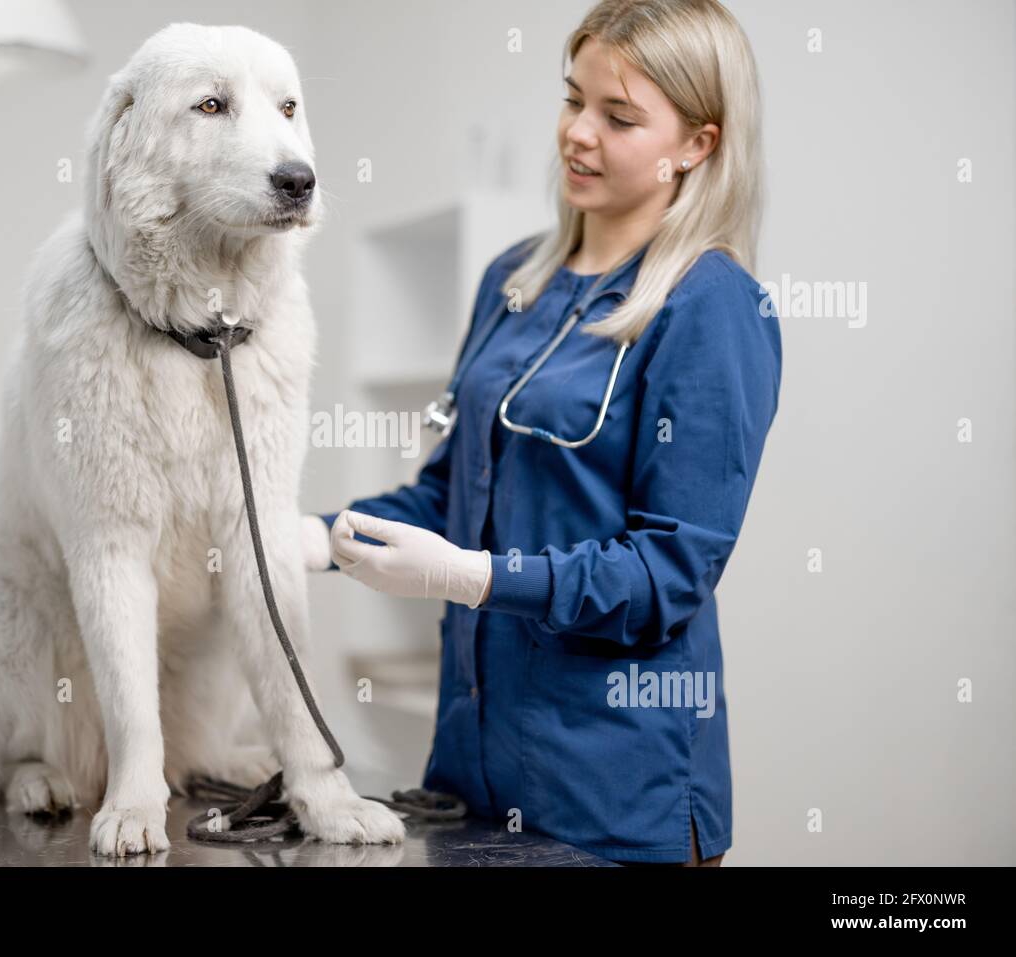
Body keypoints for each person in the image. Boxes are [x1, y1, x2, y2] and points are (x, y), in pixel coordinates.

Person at [302, 0, 780, 866]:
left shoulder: (712, 306)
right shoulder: (513, 280)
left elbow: (668, 571)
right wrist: (317, 537)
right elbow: (451, 491)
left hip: (613, 798)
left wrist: (474, 577)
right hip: (471, 778)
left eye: (619, 117)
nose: (578, 135)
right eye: (573, 100)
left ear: (697, 146)